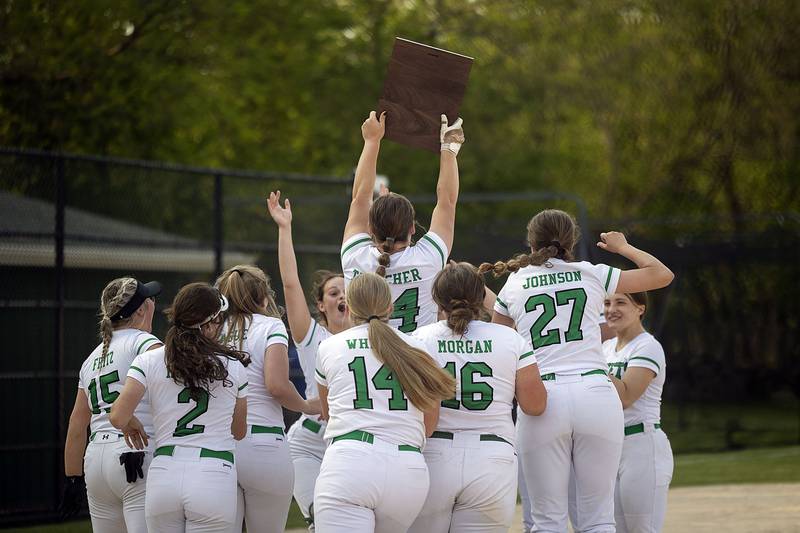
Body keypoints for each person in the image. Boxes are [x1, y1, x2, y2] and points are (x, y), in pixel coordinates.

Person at [480, 209, 674, 533]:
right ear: (571, 240)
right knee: (598, 519)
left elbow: (500, 342)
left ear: (531, 242)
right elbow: (661, 274)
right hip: (597, 394)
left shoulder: (516, 282)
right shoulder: (590, 272)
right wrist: (624, 247)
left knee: (547, 521)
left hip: (543, 397)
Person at [409, 262, 548, 533]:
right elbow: (535, 405)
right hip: (492, 457)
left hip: (433, 454)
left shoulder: (418, 339)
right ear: (481, 296)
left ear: (437, 298)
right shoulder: (511, 339)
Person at [313, 272, 456, 532]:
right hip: (408, 468)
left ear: (350, 307)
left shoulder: (329, 346)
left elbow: (328, 413)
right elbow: (430, 421)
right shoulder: (418, 346)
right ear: (390, 307)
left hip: (350, 461)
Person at [109, 282, 249, 532]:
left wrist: (131, 422)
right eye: (220, 319)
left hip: (164, 474)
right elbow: (238, 431)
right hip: (214, 473)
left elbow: (118, 416)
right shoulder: (234, 365)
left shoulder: (148, 360)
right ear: (209, 324)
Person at [216, 265, 321, 533]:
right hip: (264, 444)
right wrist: (307, 405)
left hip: (219, 444)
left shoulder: (212, 330)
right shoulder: (271, 325)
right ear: (263, 298)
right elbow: (276, 386)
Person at [340, 110, 466, 333]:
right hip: (415, 362)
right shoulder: (429, 258)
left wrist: (371, 141)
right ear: (412, 228)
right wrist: (449, 149)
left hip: (365, 362)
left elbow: (360, 197)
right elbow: (446, 201)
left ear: (370, 228)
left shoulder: (355, 256)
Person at [267, 190, 349, 530]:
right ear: (321, 305)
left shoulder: (374, 336)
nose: (342, 295)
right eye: (334, 292)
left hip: (350, 446)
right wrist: (285, 229)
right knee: (323, 521)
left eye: (348, 289)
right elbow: (289, 284)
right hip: (308, 447)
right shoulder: (313, 336)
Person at [62, 277, 162, 532]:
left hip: (96, 460)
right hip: (136, 451)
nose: (153, 303)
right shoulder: (145, 343)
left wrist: (72, 477)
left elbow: (77, 422)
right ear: (140, 310)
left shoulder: (91, 357)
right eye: (149, 299)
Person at [603, 291, 673, 533]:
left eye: (621, 302)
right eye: (607, 303)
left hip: (641, 445)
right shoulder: (606, 347)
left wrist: (592, 362)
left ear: (640, 309)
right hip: (610, 448)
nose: (611, 309)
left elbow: (625, 396)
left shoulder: (648, 346)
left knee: (642, 529)